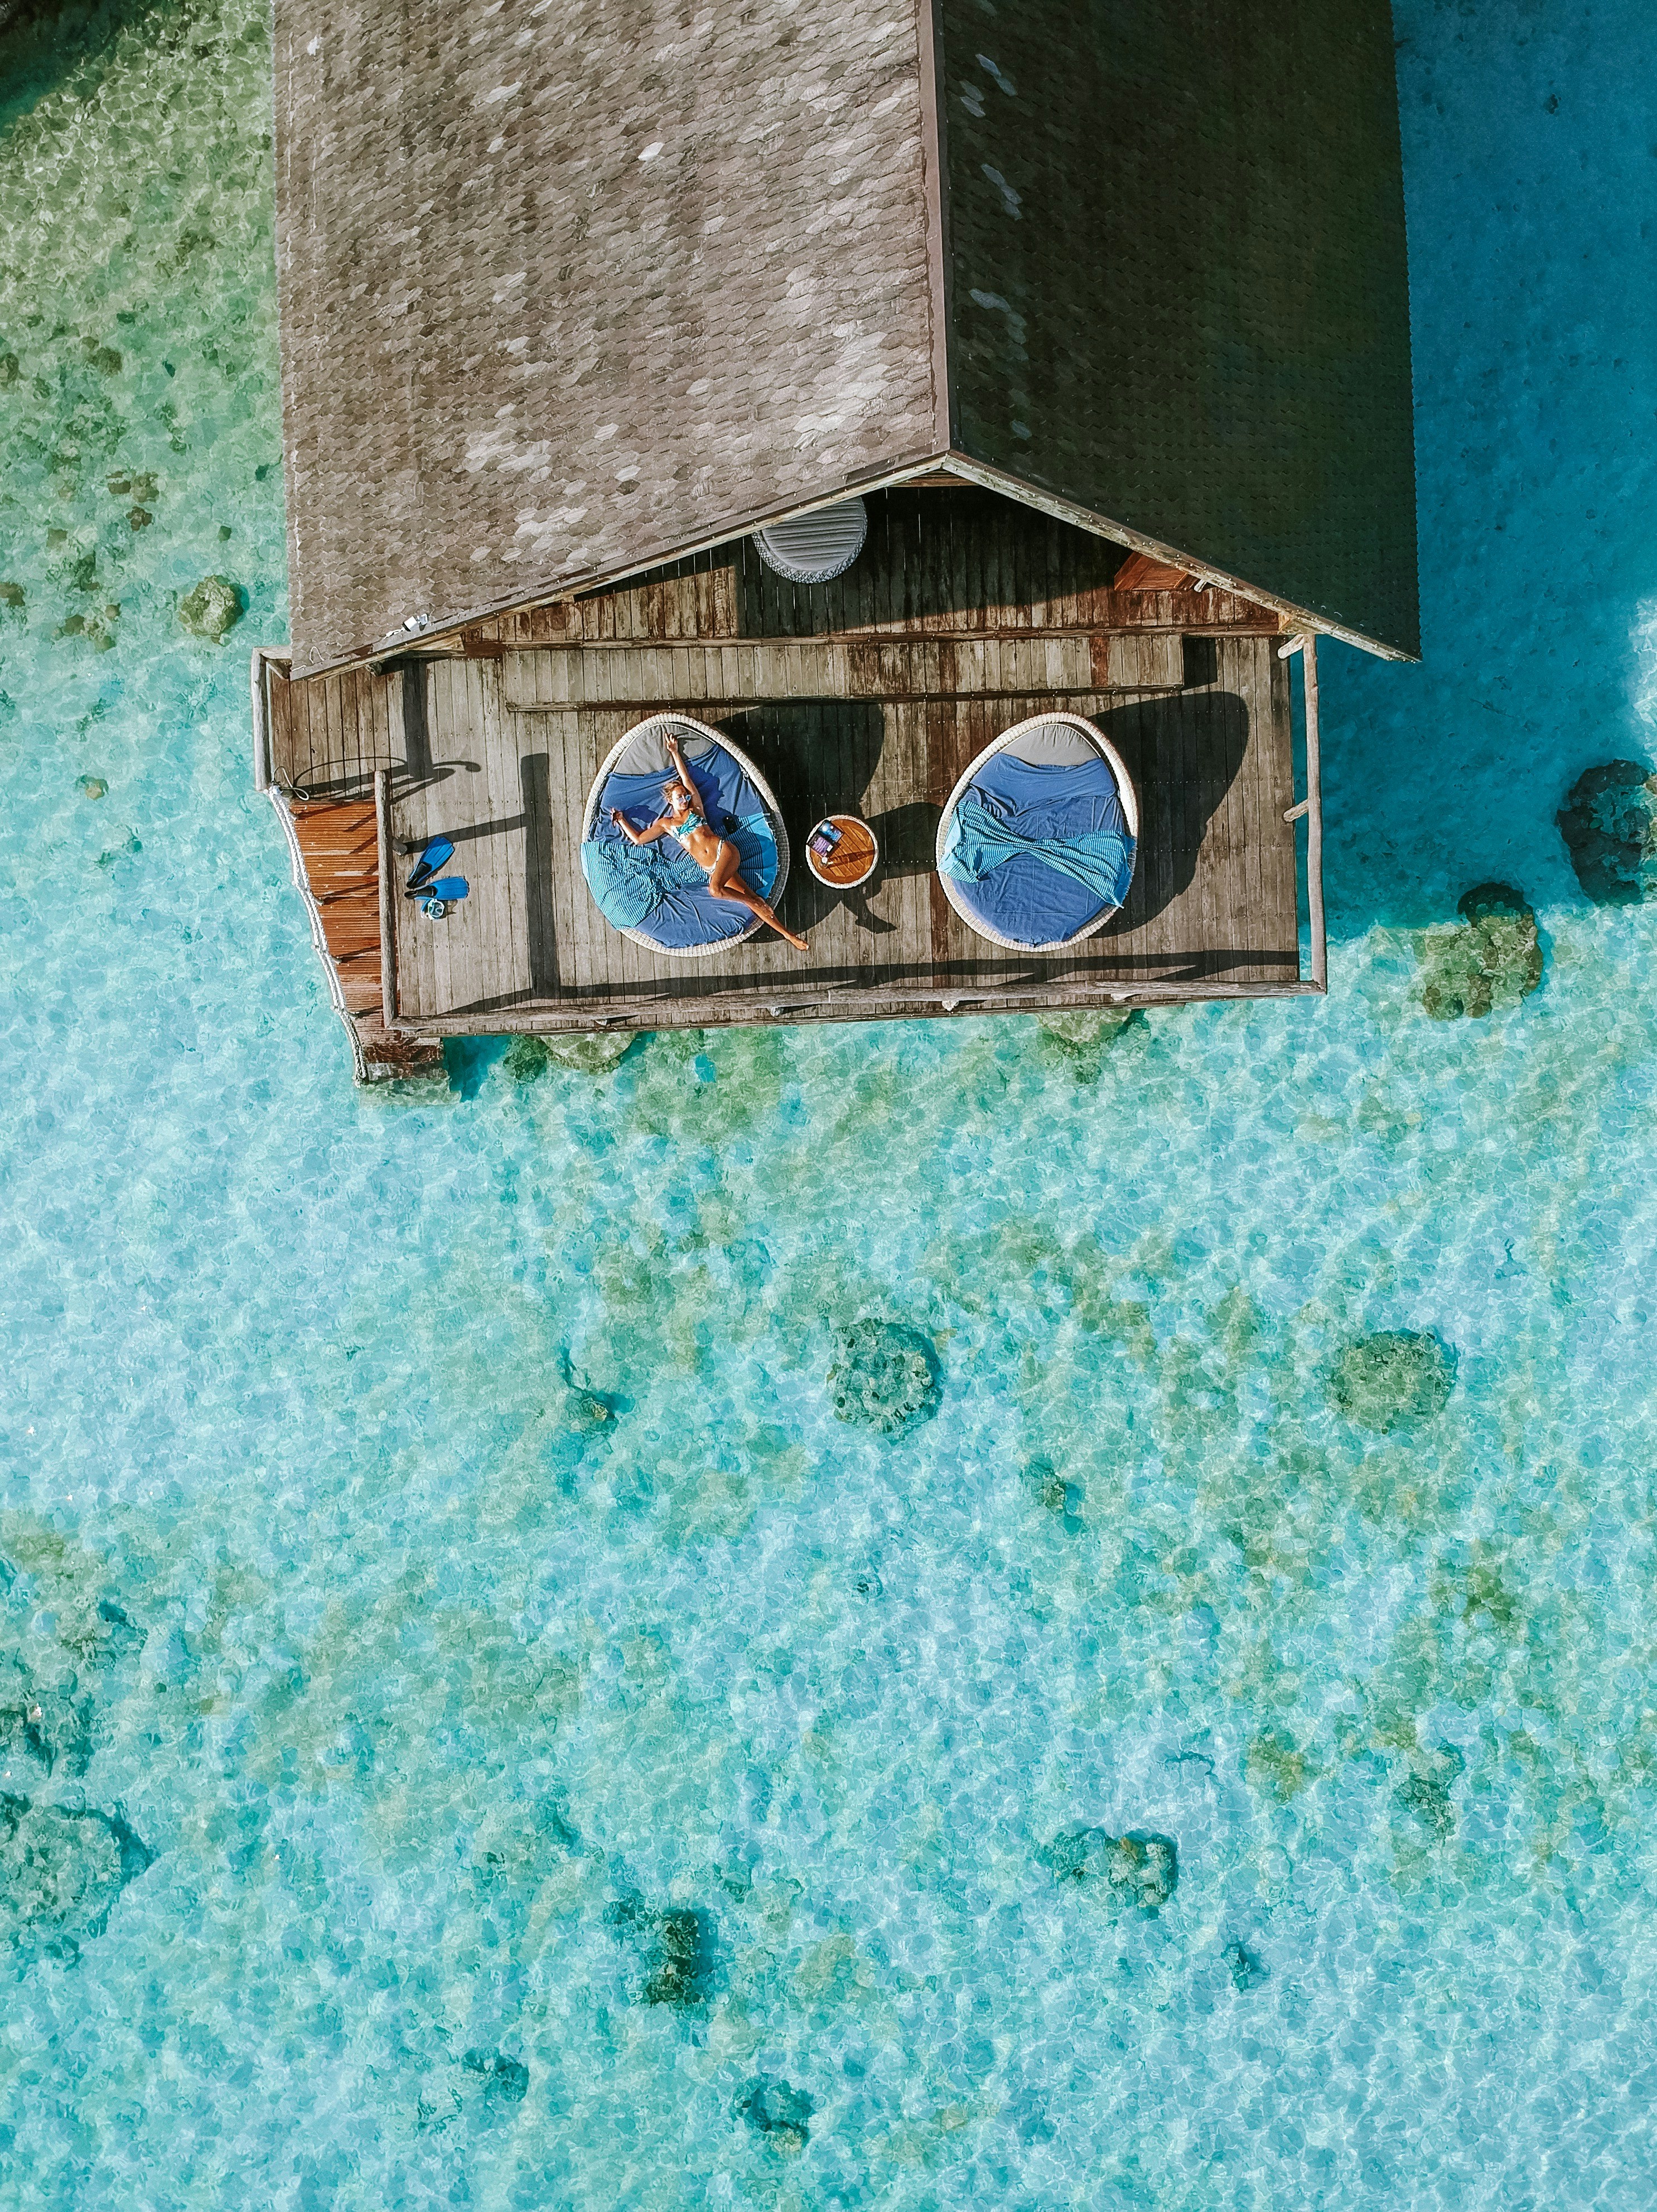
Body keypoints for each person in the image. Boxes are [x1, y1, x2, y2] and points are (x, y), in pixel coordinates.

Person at [609, 731, 808, 951]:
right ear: (670, 800)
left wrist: (675, 753)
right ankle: (789, 935)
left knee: (716, 890)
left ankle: (752, 903)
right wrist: (622, 820)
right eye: (679, 797)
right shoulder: (666, 824)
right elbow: (639, 839)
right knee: (752, 899)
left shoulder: (696, 809)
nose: (684, 799)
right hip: (712, 868)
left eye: (685, 796)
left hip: (725, 852)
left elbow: (686, 779)